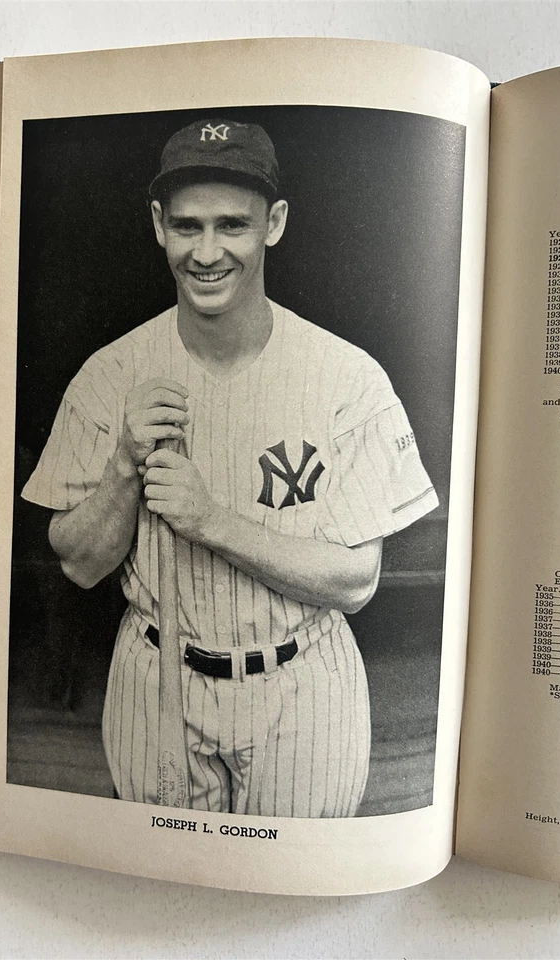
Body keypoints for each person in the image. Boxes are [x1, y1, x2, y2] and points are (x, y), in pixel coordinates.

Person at [22, 118, 439, 818]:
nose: (207, 252)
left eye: (232, 225)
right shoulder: (111, 375)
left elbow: (357, 579)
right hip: (157, 679)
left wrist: (211, 521)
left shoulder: (346, 379)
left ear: (273, 223)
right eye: (187, 226)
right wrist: (124, 466)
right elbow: (78, 563)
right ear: (158, 225)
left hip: (301, 682)